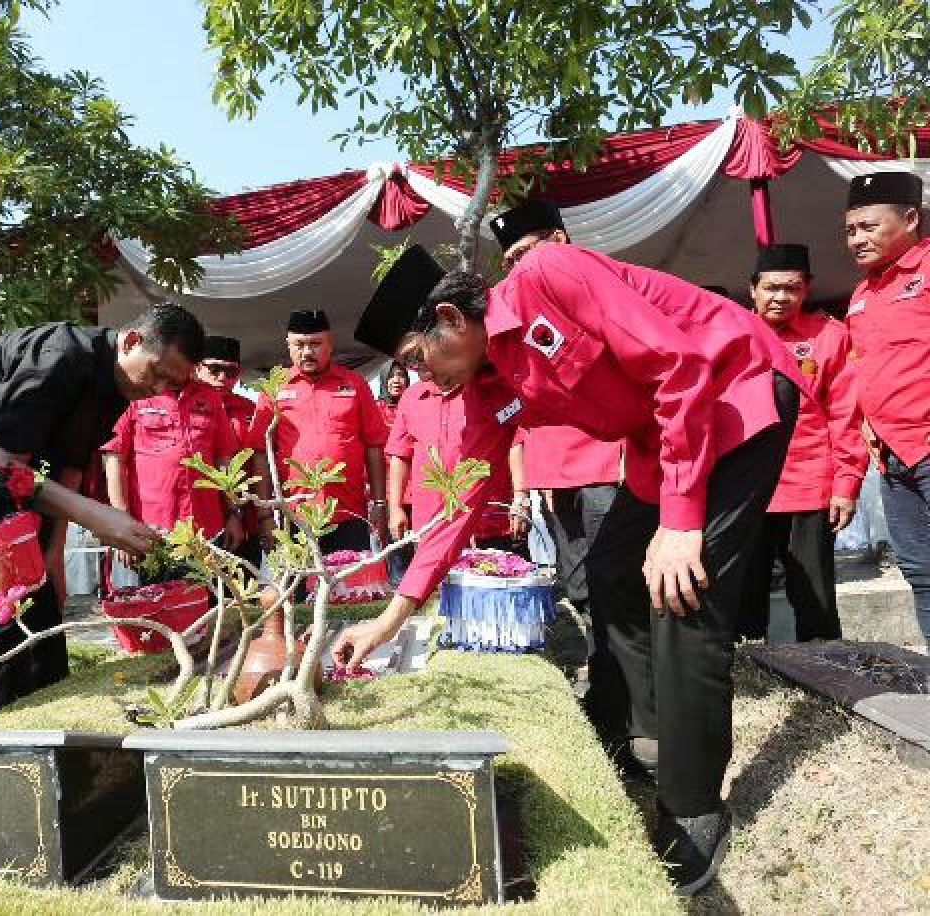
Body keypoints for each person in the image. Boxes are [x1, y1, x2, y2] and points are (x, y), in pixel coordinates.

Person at [334, 242, 804, 895]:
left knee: (682, 590)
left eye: (418, 360)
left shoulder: (548, 279)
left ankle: (693, 805)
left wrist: (681, 520)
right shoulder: (487, 384)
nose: (422, 380)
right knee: (610, 569)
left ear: (452, 318)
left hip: (734, 392)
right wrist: (391, 617)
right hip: (662, 439)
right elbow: (461, 503)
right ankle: (638, 730)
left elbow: (680, 366)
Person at [0, 306, 198, 710]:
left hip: (11, 504)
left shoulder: (119, 387)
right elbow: (2, 467)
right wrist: (96, 516)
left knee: (47, 643)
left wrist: (54, 556)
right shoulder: (59, 358)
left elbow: (71, 466)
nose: (158, 389)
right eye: (157, 373)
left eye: (170, 384)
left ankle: (52, 742)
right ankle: (0, 753)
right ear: (132, 341)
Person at [490, 200, 632, 754]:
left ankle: (628, 704)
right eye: (511, 261)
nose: (521, 268)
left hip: (604, 468)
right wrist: (528, 485)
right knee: (579, 590)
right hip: (556, 477)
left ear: (560, 237)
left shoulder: (592, 287)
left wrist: (626, 459)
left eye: (528, 252)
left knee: (615, 590)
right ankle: (607, 697)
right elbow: (519, 418)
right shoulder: (518, 318)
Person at [740, 243, 866, 642]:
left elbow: (845, 416)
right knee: (744, 595)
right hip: (744, 489)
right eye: (771, 288)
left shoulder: (831, 337)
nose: (780, 298)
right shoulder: (729, 333)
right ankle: (751, 676)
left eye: (791, 289)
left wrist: (846, 485)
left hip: (809, 487)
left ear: (806, 289)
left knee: (814, 598)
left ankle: (826, 678)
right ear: (752, 289)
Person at [843, 171, 930, 641]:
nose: (856, 239)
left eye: (869, 227)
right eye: (850, 230)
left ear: (911, 218)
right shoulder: (862, 295)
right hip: (893, 455)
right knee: (919, 570)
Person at [249, 309, 387, 555]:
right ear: (288, 346)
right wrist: (264, 516)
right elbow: (261, 453)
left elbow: (374, 445)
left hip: (348, 513)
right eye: (299, 345)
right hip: (295, 515)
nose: (307, 352)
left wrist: (379, 502)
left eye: (315, 344)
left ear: (330, 344)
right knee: (299, 592)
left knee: (351, 590)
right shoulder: (274, 388)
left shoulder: (355, 385)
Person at [103, 376, 245, 544]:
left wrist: (234, 514)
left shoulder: (211, 398)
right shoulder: (136, 393)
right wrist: (122, 522)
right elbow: (115, 458)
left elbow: (224, 459)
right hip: (147, 531)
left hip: (205, 534)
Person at [194, 335, 260, 568]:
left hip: (247, 519)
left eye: (230, 372)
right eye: (214, 369)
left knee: (244, 596)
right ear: (198, 368)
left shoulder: (251, 410)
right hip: (200, 519)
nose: (222, 377)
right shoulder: (186, 407)